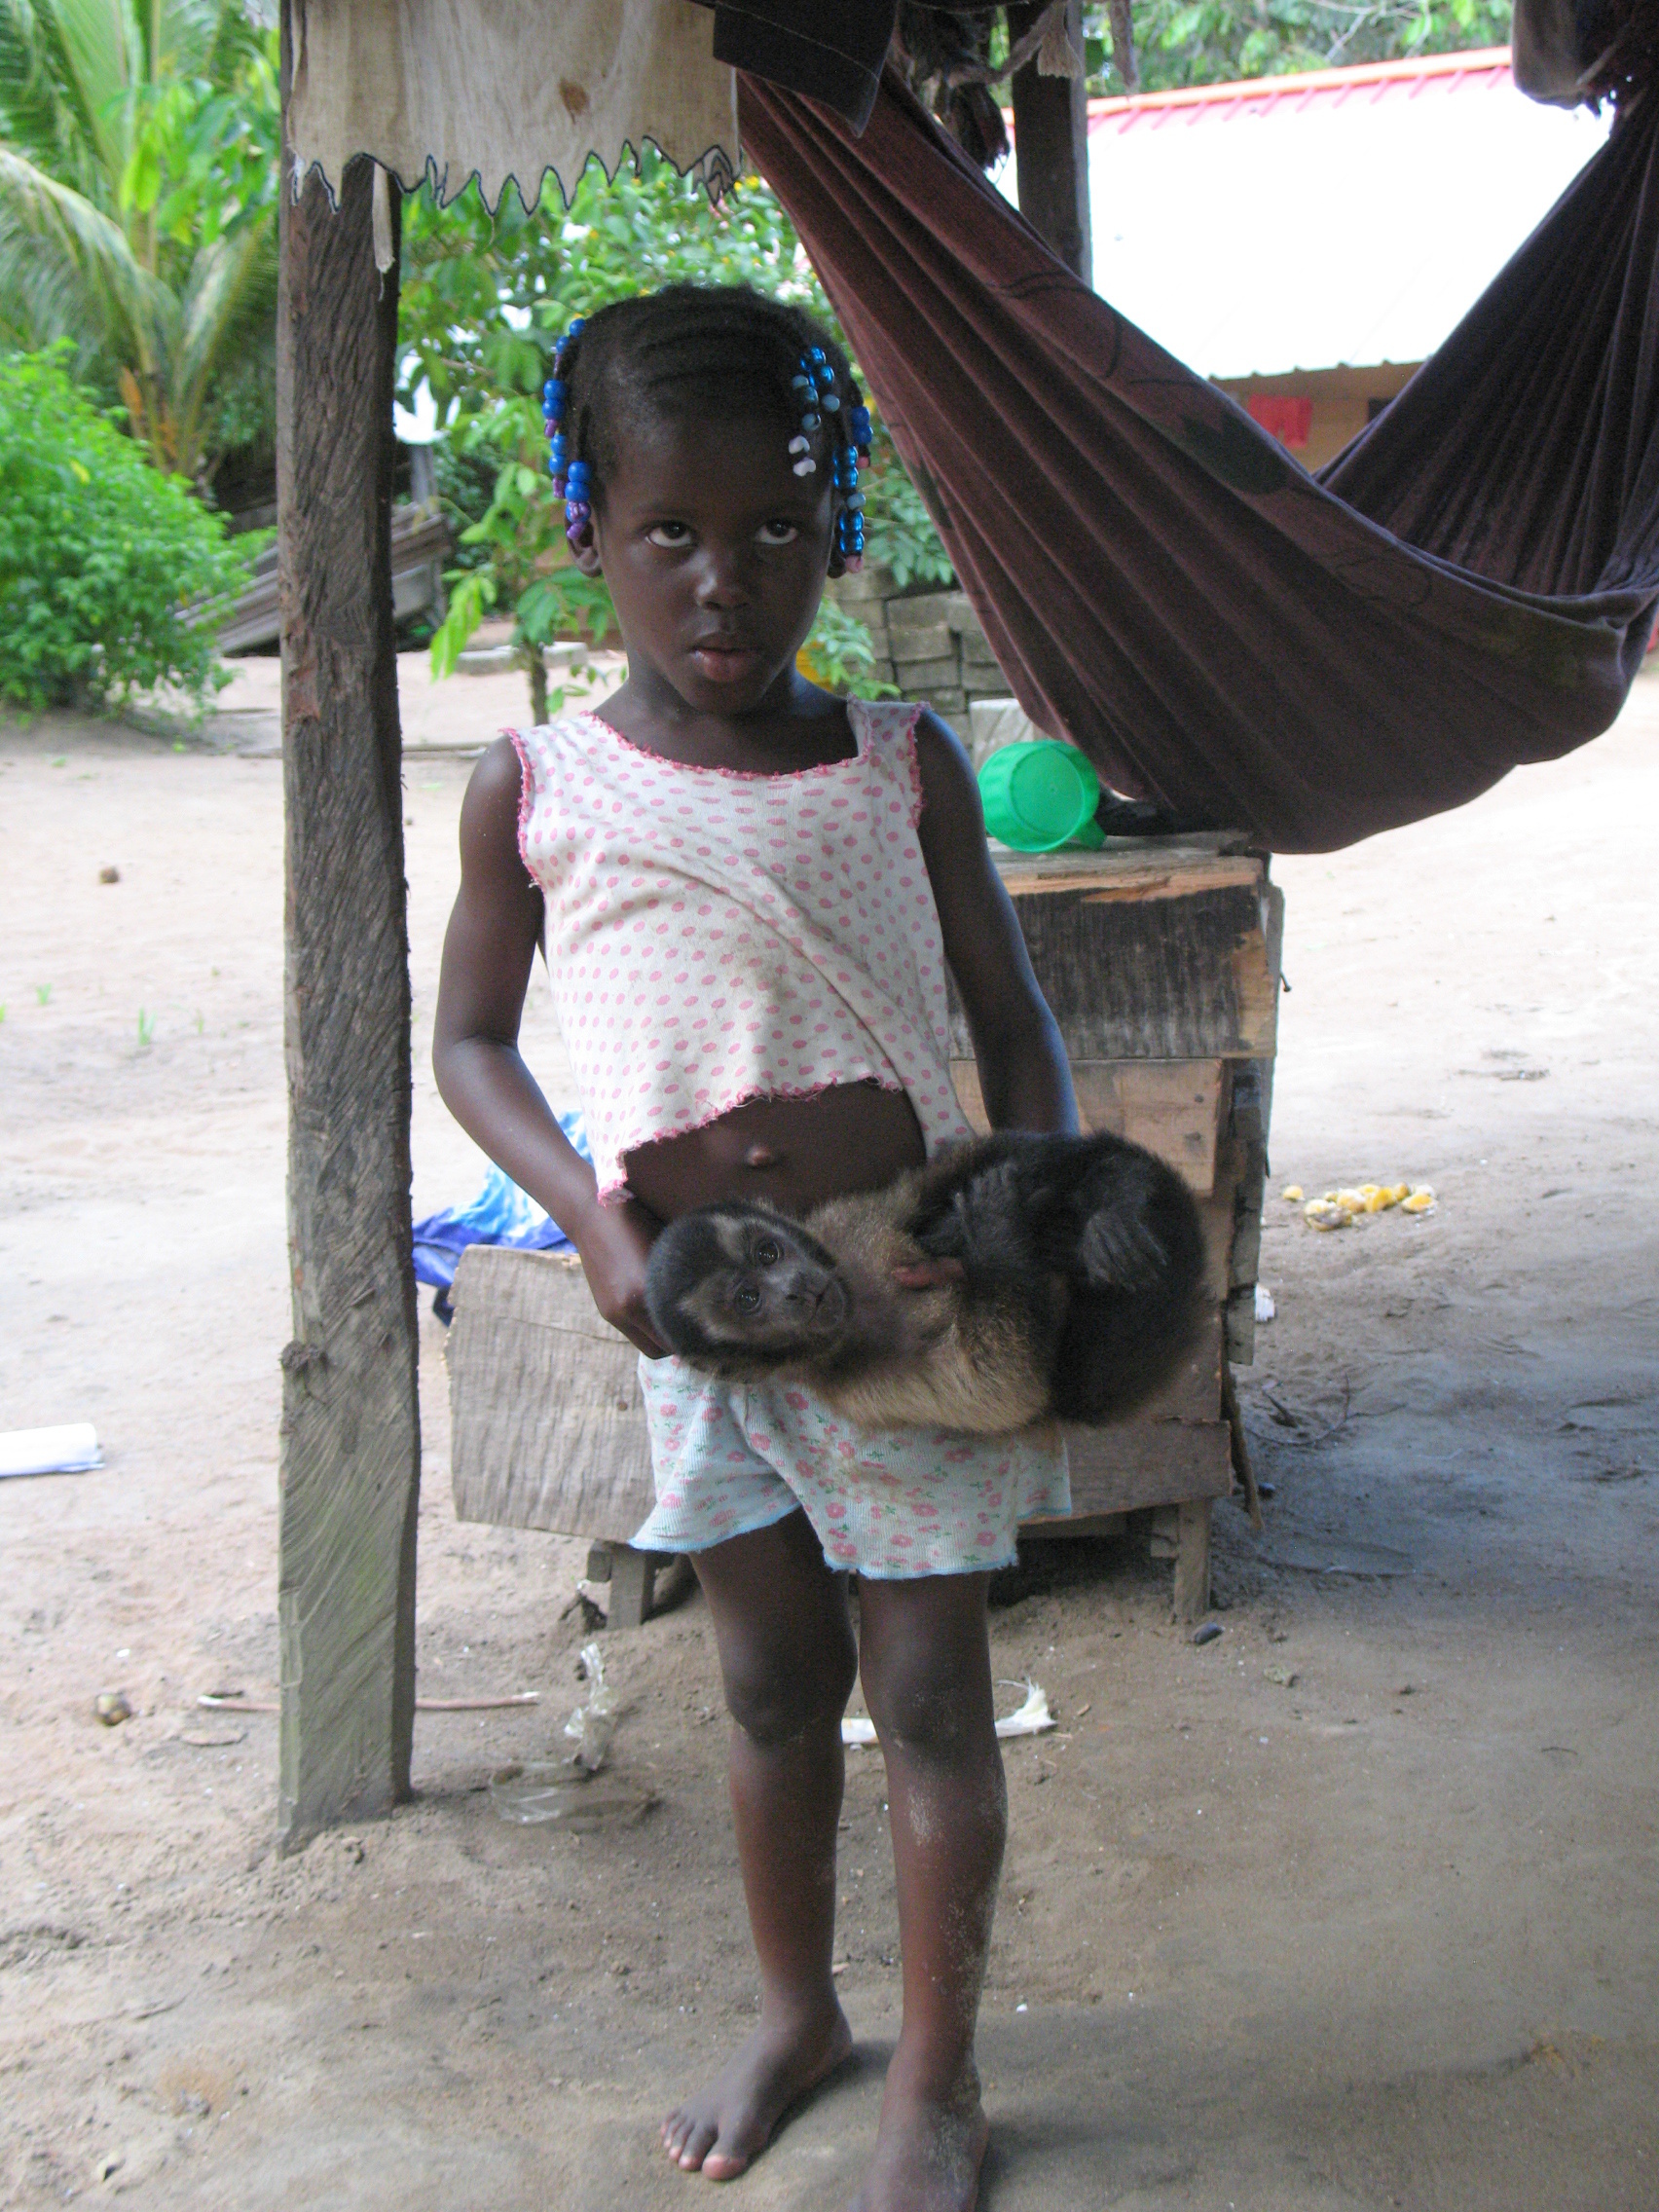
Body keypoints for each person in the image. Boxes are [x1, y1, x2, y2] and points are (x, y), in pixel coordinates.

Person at [432, 285, 1078, 2212]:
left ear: (838, 527)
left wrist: (1017, 1207)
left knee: (935, 1696)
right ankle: (799, 2008)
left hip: (903, 1311)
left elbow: (1013, 1012)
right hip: (701, 1322)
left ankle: (939, 2083)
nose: (727, 583)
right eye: (673, 535)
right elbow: (468, 1041)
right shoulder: (534, 788)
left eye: (778, 530)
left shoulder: (902, 766)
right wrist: (589, 1215)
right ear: (589, 530)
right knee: (771, 1685)